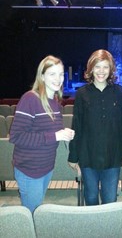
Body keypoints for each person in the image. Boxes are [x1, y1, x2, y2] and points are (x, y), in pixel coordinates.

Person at [9, 55, 75, 213]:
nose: (58, 78)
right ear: (42, 76)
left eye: (60, 74)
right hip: (30, 170)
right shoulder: (30, 98)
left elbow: (48, 133)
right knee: (32, 214)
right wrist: (55, 136)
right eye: (52, 74)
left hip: (46, 168)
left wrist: (63, 134)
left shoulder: (56, 103)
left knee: (36, 210)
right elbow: (16, 136)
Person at [68, 49, 122, 205]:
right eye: (97, 67)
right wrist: (73, 156)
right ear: (91, 69)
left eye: (105, 67)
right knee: (90, 197)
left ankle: (107, 229)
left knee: (110, 198)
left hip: (113, 154)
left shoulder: (118, 91)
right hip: (88, 155)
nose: (101, 71)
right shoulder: (82, 94)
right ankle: (93, 229)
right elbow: (77, 126)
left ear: (111, 69)